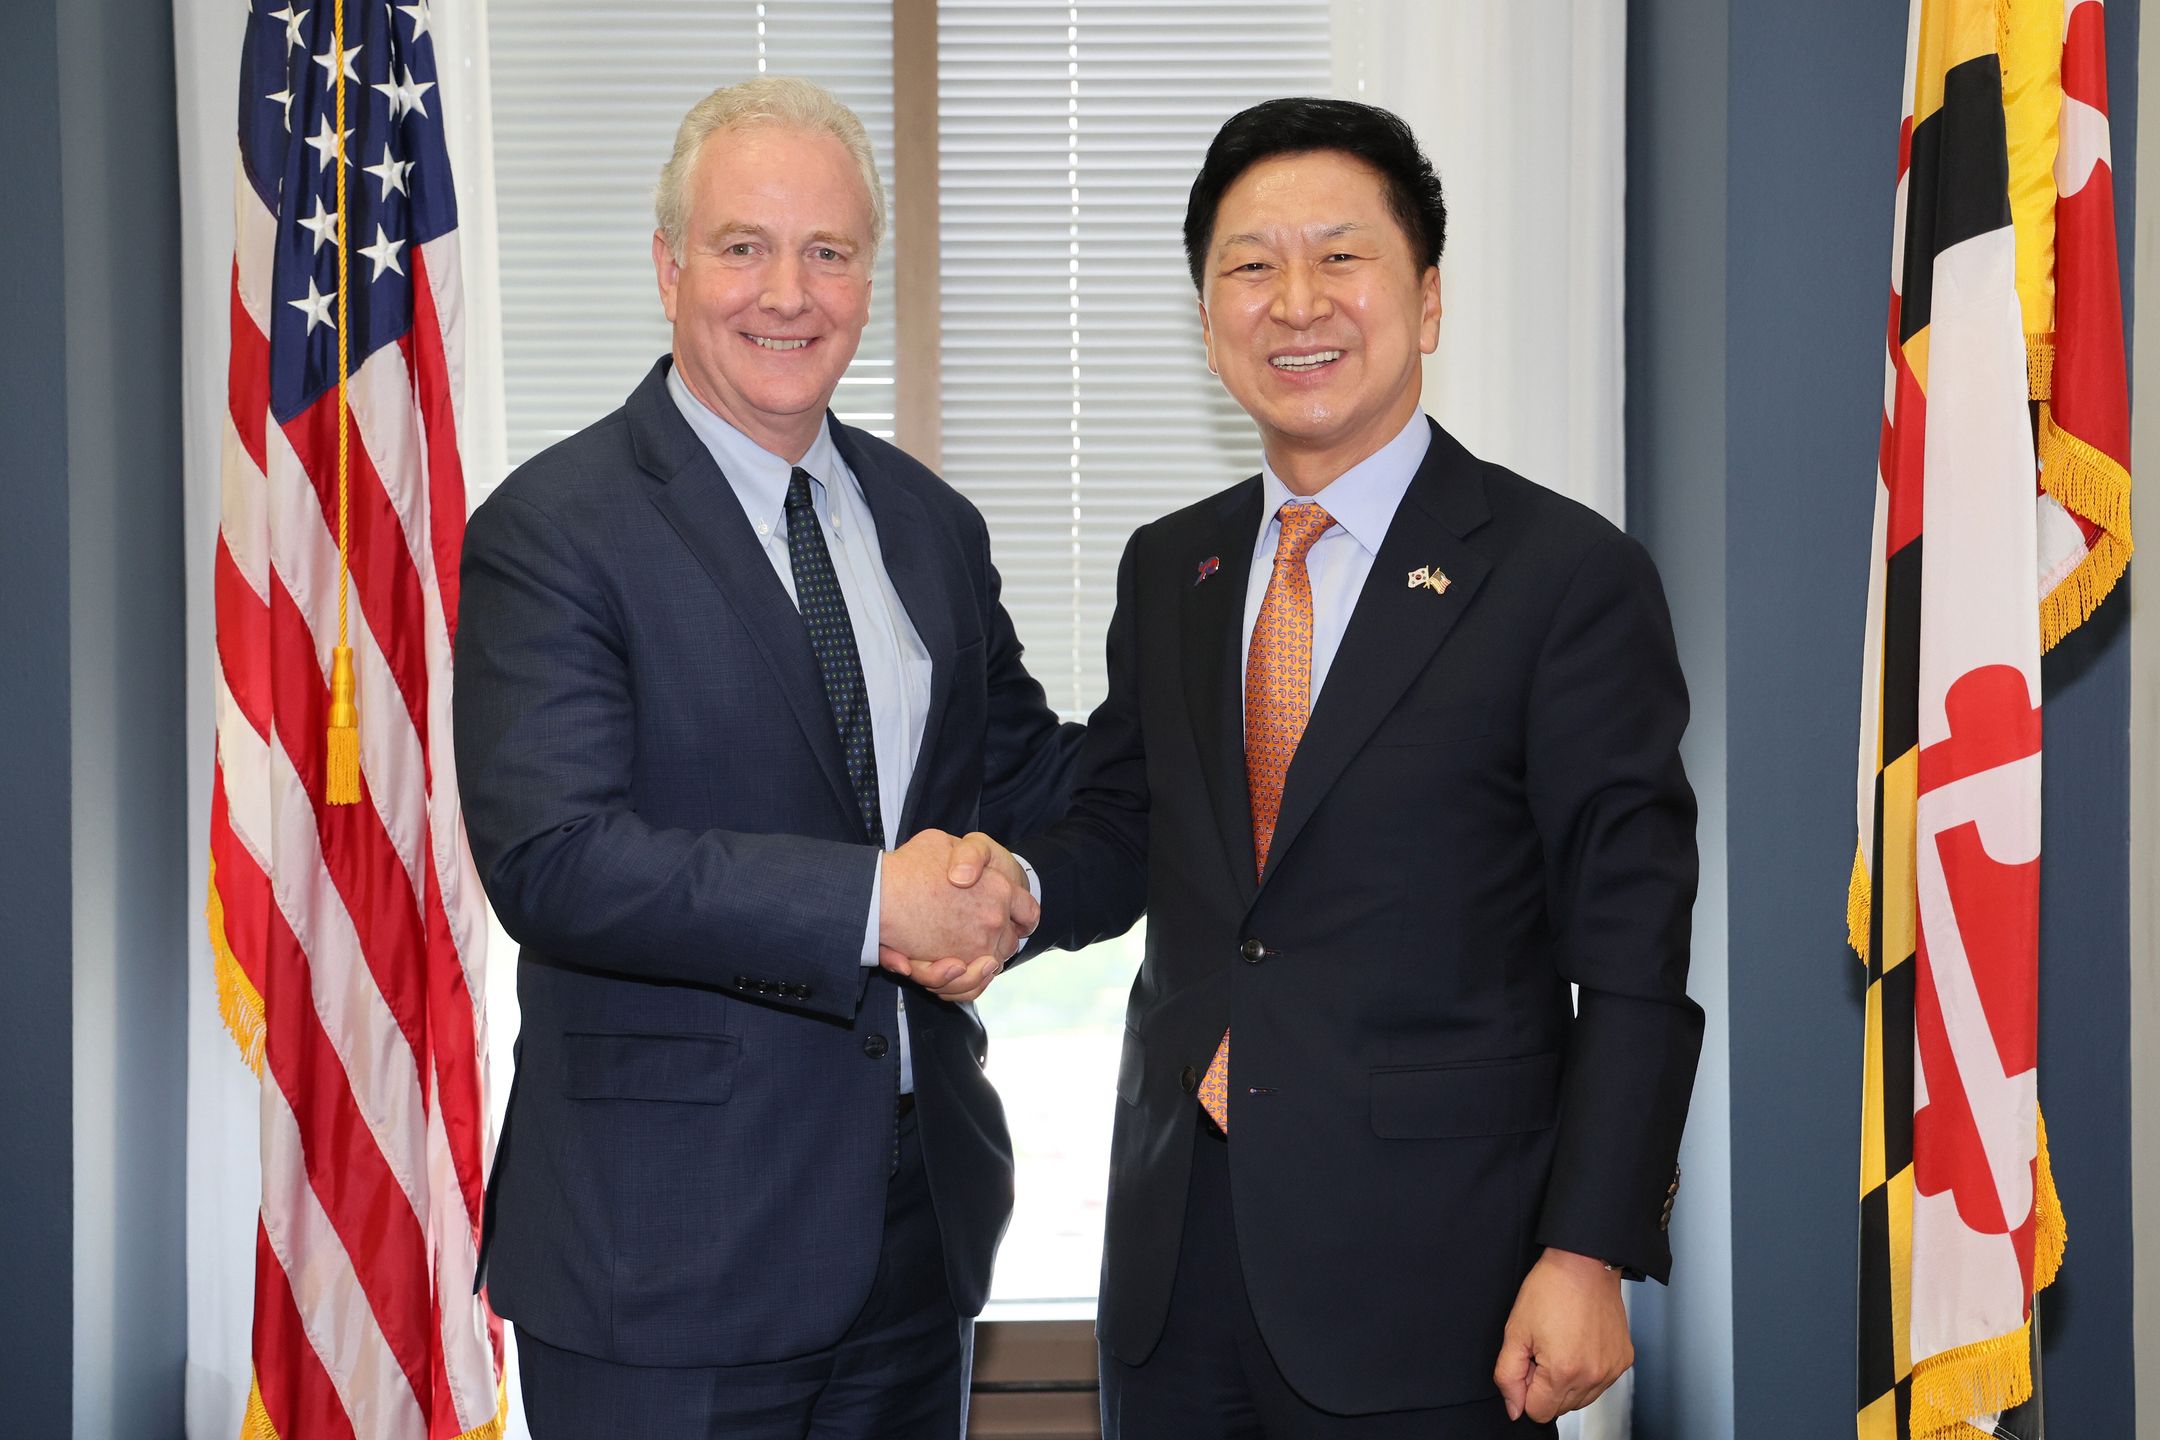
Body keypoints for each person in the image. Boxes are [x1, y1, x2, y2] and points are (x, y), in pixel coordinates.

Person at [1001, 97, 1703, 1437]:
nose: (1294, 300)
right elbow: (1124, 826)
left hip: (1436, 1288)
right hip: (1175, 1267)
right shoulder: (1175, 568)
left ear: (1426, 300)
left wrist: (1593, 1248)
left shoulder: (1565, 579)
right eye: (1249, 267)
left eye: (1341, 256)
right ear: (1209, 318)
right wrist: (1007, 884)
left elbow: (1633, 955)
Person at [454, 75, 1077, 1438]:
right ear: (669, 266)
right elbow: (555, 862)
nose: (787, 292)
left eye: (829, 252)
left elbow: (1028, 787)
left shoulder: (929, 527)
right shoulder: (551, 530)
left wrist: (1009, 888)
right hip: (660, 1265)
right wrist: (873, 906)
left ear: (868, 275)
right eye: (744, 247)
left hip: (915, 1239)